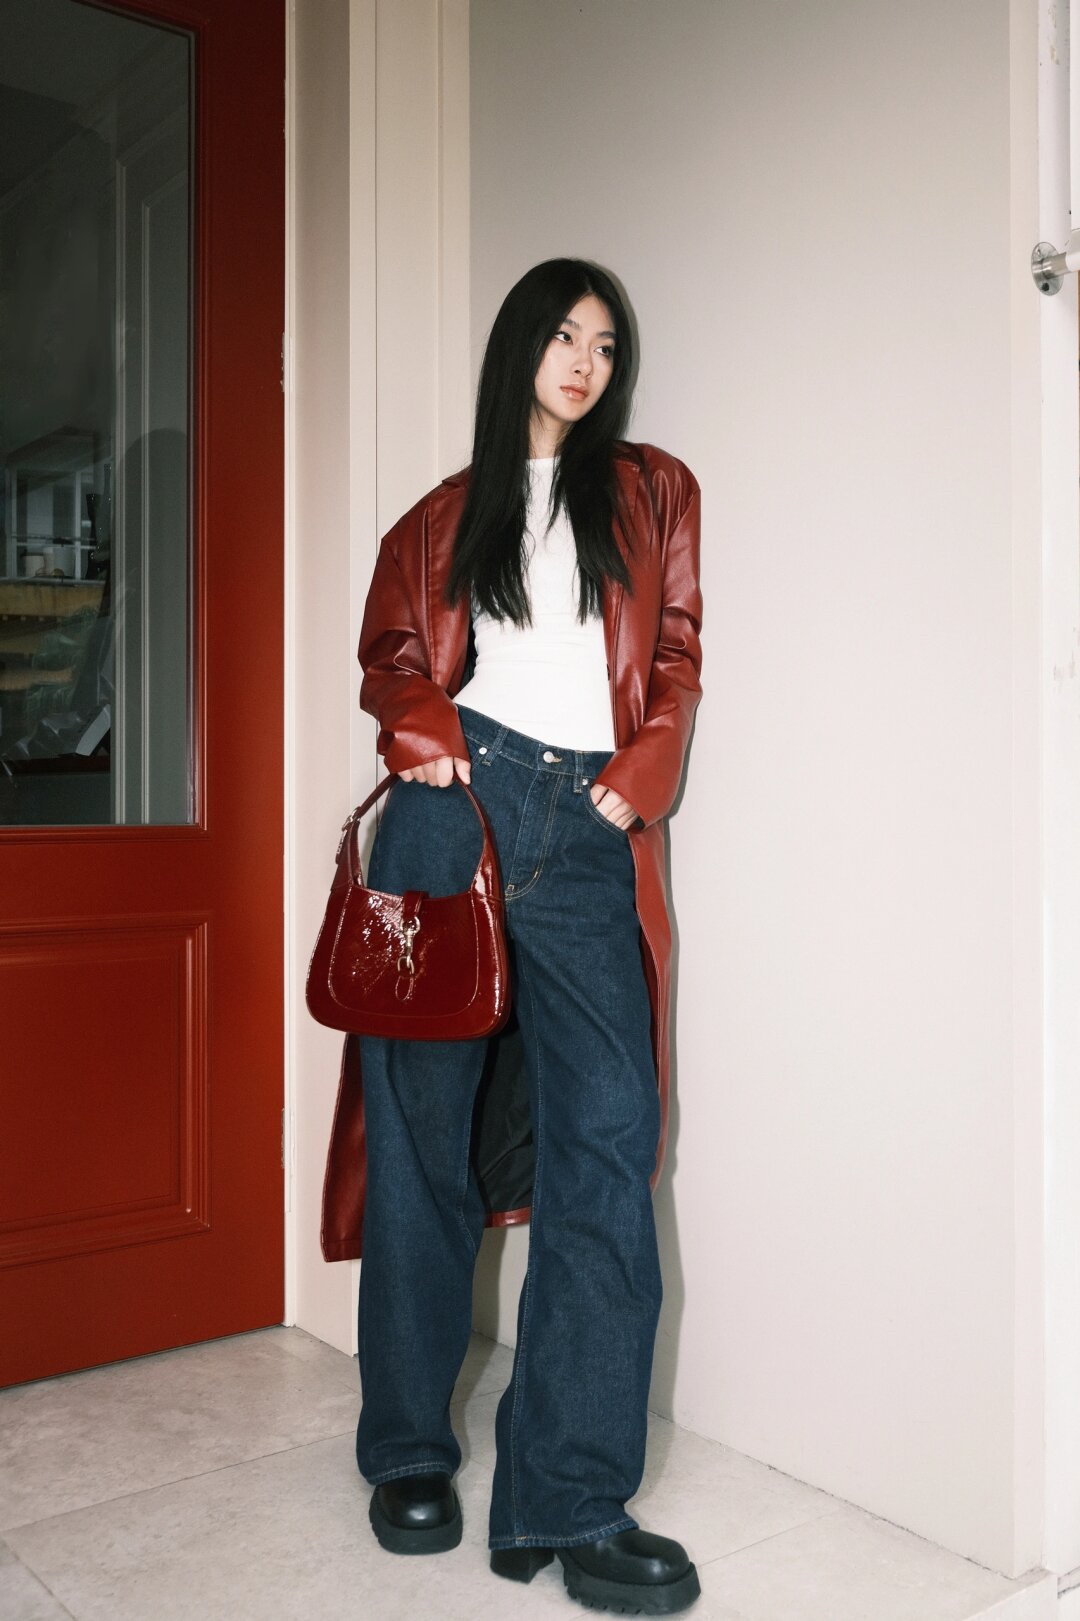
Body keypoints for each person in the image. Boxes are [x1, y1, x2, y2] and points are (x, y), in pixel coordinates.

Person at [345, 257, 703, 1615]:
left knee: (608, 1139)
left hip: (590, 820)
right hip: (458, 811)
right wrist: (422, 730)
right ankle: (408, 1449)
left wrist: (645, 769)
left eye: (604, 342)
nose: (585, 360)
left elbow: (675, 651)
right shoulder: (441, 516)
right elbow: (392, 652)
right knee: (423, 1139)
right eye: (562, 335)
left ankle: (568, 1497)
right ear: (519, 349)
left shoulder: (653, 492)